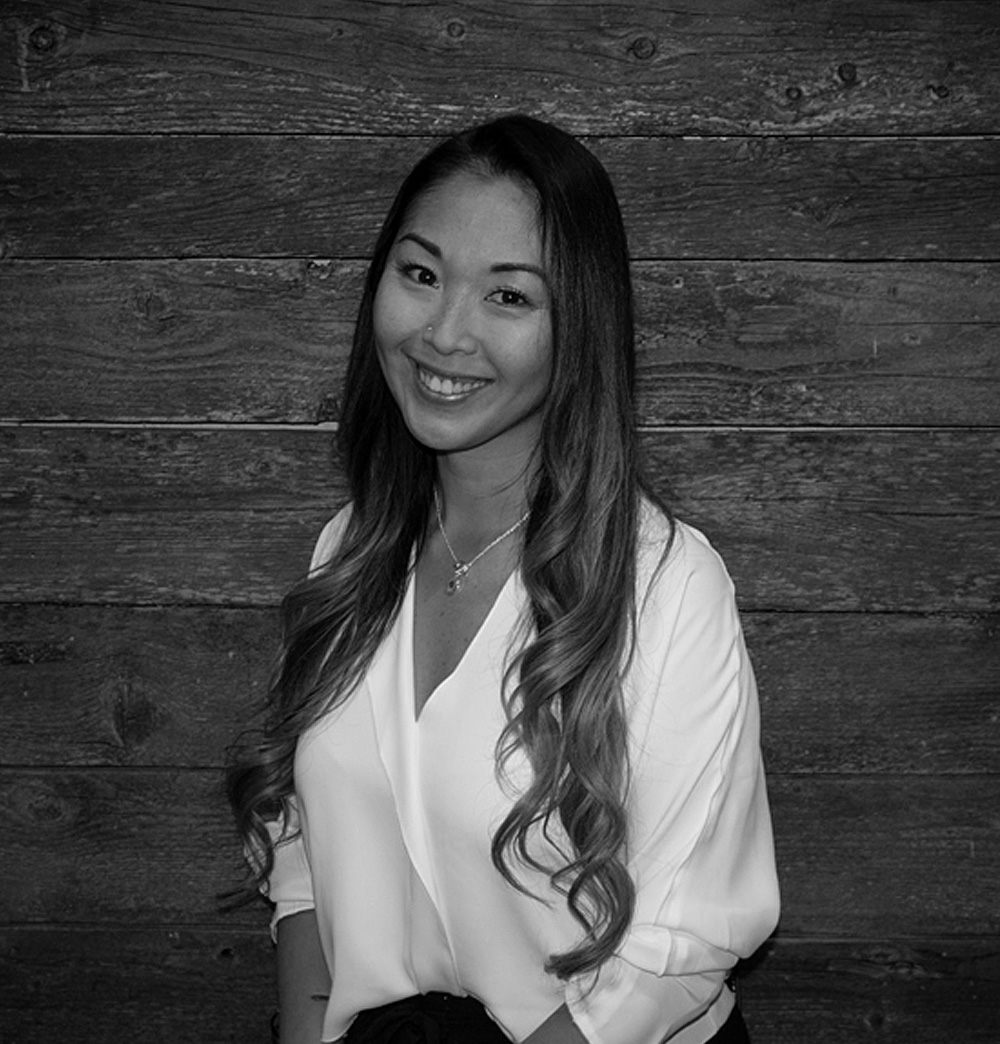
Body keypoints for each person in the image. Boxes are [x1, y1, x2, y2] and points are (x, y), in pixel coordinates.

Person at [227, 114, 779, 1044]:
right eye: (421, 274)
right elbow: (306, 866)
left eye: (509, 296)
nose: (445, 333)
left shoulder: (667, 588)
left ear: (580, 326)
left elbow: (673, 951)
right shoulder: (349, 549)